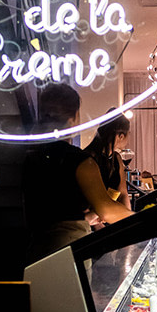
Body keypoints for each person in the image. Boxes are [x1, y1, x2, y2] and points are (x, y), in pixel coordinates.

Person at [22, 84, 133, 264]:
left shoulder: (32, 157)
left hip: (36, 251)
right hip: (70, 250)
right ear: (74, 118)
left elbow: (53, 211)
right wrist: (143, 220)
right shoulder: (81, 161)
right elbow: (106, 209)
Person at [82, 111, 132, 210]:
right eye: (128, 134)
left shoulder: (116, 158)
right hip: (91, 215)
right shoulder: (89, 159)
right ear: (121, 136)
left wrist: (130, 217)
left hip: (110, 213)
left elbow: (123, 194)